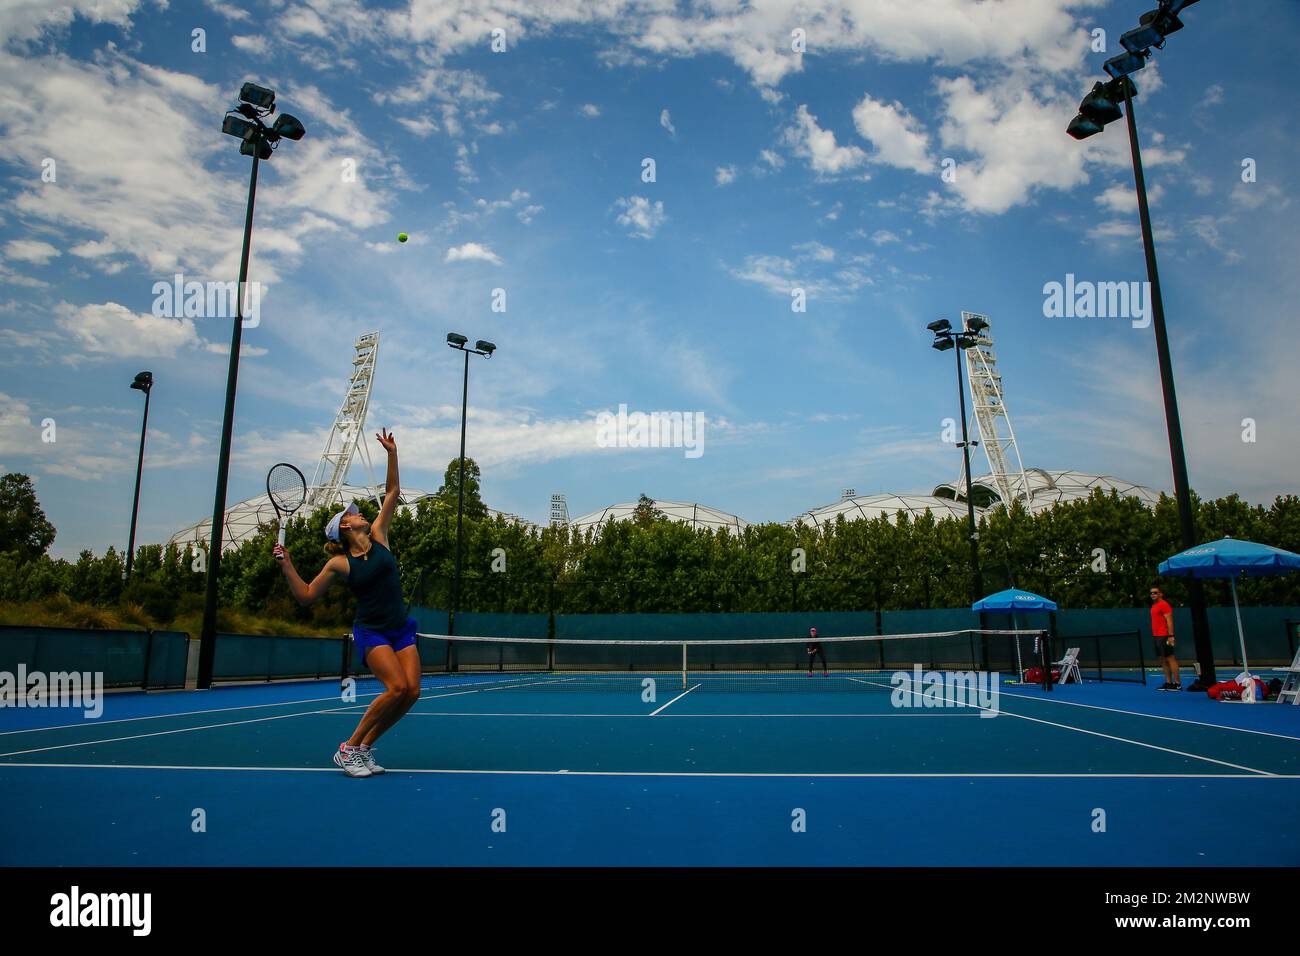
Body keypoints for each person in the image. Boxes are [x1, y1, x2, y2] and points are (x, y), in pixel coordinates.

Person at [274, 428, 420, 777]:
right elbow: (307, 596)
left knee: (411, 692)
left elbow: (393, 492)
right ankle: (349, 748)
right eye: (352, 515)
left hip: (400, 628)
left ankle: (366, 748)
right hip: (372, 632)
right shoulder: (340, 563)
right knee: (395, 687)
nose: (359, 514)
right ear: (344, 528)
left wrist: (392, 453)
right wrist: (287, 565)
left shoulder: (380, 537)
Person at [1149, 585, 1181, 691]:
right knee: (1162, 659)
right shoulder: (1154, 606)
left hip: (1164, 635)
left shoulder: (1164, 605)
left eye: (1155, 592)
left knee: (1170, 658)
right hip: (1156, 636)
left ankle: (1177, 684)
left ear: (1160, 594)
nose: (1153, 594)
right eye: (1151, 593)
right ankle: (1168, 682)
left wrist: (1171, 636)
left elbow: (1169, 621)